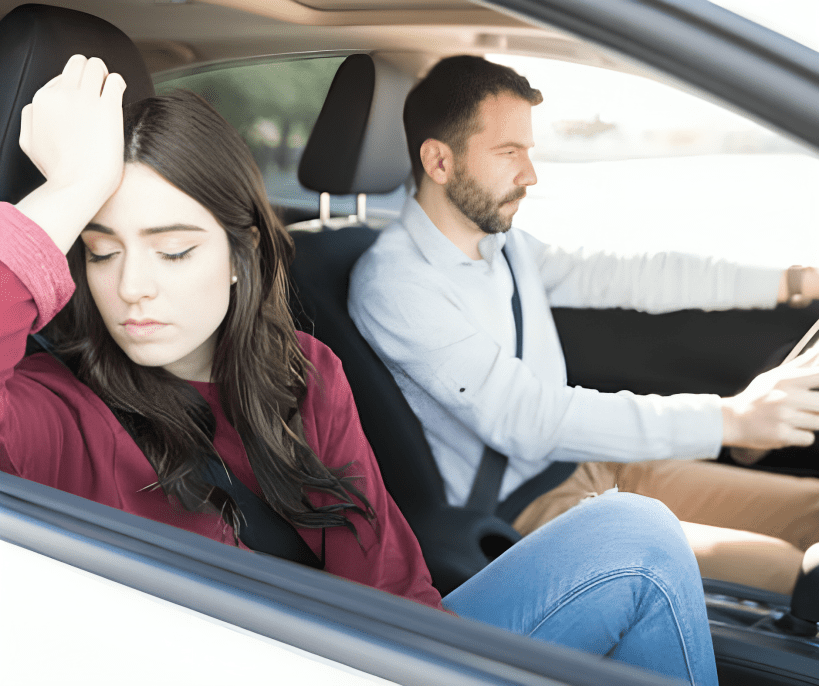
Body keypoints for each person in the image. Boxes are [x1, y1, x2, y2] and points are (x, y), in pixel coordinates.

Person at [0, 55, 718, 684]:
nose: (131, 288)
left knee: (636, 536)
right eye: (101, 250)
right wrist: (66, 194)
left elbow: (390, 588)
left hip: (363, 656)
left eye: (174, 250)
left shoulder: (303, 374)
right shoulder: (51, 412)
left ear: (239, 257)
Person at [348, 54, 819, 597]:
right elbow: (526, 417)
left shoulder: (503, 248)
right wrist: (732, 420)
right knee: (784, 570)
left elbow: (633, 277)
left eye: (529, 150)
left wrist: (797, 282)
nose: (530, 174)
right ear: (439, 162)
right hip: (531, 509)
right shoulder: (396, 286)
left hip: (590, 463)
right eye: (508, 153)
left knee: (812, 510)